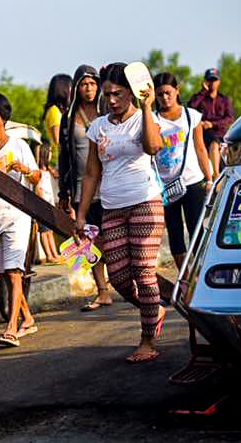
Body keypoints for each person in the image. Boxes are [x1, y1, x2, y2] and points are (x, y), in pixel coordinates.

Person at [75, 63, 167, 363]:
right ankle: (155, 310)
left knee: (143, 271)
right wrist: (81, 213)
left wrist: (147, 106)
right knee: (118, 277)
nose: (111, 100)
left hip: (145, 202)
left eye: (117, 94)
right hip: (111, 208)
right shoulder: (99, 126)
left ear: (130, 92)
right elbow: (91, 172)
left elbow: (154, 147)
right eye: (107, 94)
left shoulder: (145, 117)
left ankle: (147, 339)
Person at [0, 92, 41, 348]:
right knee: (4, 273)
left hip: (16, 217)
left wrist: (24, 170)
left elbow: (36, 178)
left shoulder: (19, 146)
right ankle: (27, 318)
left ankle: (12, 328)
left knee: (14, 272)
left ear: (2, 118)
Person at [59, 64, 113, 311]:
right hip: (81, 186)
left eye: (92, 84)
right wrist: (64, 191)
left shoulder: (107, 113)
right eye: (83, 84)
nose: (88, 88)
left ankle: (124, 280)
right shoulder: (69, 117)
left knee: (112, 237)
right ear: (77, 88)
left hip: (110, 183)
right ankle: (102, 291)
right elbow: (63, 156)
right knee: (88, 239)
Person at [153, 72, 214, 270]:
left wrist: (210, 178)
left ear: (177, 91)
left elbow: (201, 148)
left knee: (196, 229)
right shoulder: (153, 120)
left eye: (168, 92)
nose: (164, 98)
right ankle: (183, 278)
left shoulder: (191, 116)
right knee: (175, 233)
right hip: (165, 185)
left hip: (192, 181)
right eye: (160, 94)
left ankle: (199, 274)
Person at [187, 68, 234, 180]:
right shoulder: (199, 98)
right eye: (210, 80)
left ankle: (219, 173)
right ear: (205, 81)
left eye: (214, 80)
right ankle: (215, 174)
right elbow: (190, 109)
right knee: (214, 143)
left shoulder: (224, 99)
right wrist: (203, 92)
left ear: (219, 82)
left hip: (221, 134)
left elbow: (230, 118)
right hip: (204, 134)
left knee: (218, 143)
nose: (212, 83)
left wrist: (212, 124)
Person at [35, 143, 62, 264]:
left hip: (50, 204)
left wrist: (50, 167)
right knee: (44, 231)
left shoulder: (47, 170)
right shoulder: (38, 172)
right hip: (42, 205)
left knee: (50, 231)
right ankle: (49, 255)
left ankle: (55, 253)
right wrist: (42, 204)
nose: (51, 154)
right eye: (50, 152)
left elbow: (57, 175)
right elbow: (38, 188)